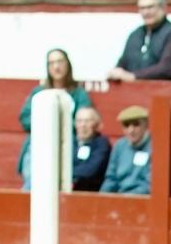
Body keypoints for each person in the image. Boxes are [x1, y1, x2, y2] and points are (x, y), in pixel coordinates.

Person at [17, 47, 89, 189]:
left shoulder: (79, 93)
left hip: (68, 143)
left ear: (67, 64)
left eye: (60, 62)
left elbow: (84, 119)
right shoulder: (39, 92)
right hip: (38, 143)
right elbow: (25, 118)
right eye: (51, 63)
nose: (56, 66)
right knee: (33, 184)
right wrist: (46, 124)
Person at [107, 0, 171, 82]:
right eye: (142, 8)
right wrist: (115, 73)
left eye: (150, 7)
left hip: (166, 93)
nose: (146, 12)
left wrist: (133, 76)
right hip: (135, 92)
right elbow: (123, 64)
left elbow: (167, 69)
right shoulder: (135, 34)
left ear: (162, 7)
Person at [100, 105, 153, 195]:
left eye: (136, 124)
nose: (131, 130)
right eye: (126, 125)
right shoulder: (119, 146)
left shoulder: (156, 147)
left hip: (144, 201)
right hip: (120, 199)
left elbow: (150, 185)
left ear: (146, 125)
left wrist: (125, 199)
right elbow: (111, 178)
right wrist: (101, 198)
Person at [71, 105, 111, 193]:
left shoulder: (102, 144)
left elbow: (90, 171)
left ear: (96, 125)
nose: (83, 125)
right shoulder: (70, 142)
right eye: (79, 121)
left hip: (92, 193)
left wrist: (67, 173)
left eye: (87, 121)